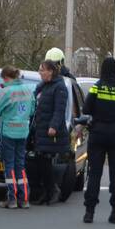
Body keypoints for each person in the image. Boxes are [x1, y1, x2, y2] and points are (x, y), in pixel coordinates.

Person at [81, 56, 115, 224]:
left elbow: (86, 108)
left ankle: (89, 212)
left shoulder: (97, 88)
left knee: (95, 174)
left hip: (97, 134)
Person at [0, 66, 36, 208]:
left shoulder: (7, 91)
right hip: (23, 131)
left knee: (9, 165)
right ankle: (25, 199)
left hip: (8, 132)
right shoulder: (29, 90)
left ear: (5, 77)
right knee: (20, 165)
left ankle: (12, 199)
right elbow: (32, 110)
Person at [31, 59, 70, 206]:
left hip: (51, 132)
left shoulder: (59, 88)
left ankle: (52, 190)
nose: (40, 72)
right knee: (40, 161)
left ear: (51, 71)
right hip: (40, 130)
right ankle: (47, 191)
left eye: (42, 70)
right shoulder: (44, 86)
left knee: (45, 161)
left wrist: (53, 126)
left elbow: (59, 110)